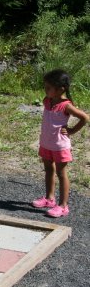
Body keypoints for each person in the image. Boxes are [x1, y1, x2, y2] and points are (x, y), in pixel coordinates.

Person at [31, 69, 88, 217]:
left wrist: (71, 131)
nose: (45, 90)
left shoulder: (66, 106)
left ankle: (63, 206)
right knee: (48, 170)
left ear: (60, 89)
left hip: (59, 145)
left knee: (61, 173)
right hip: (46, 143)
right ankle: (50, 198)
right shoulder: (47, 101)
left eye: (48, 87)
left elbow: (84, 118)